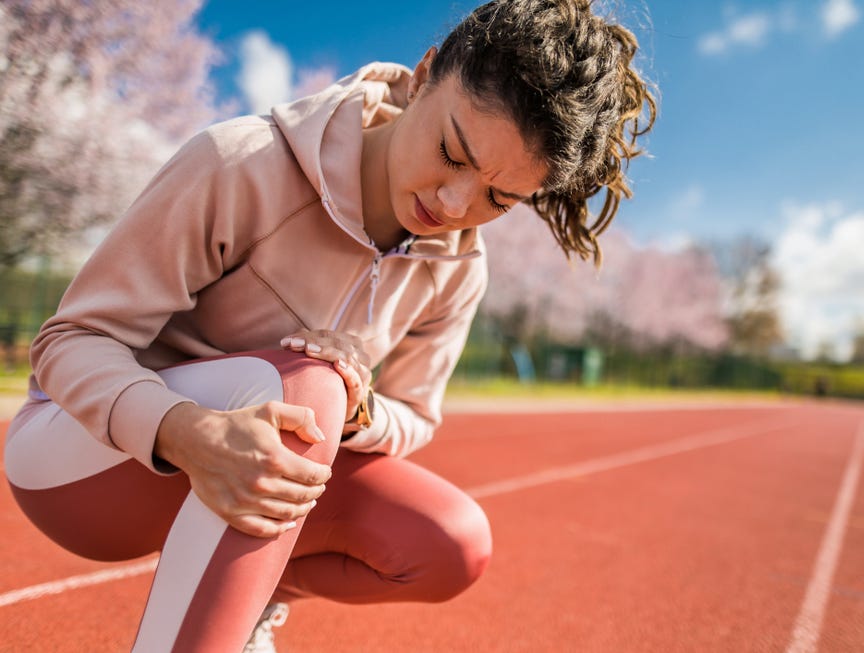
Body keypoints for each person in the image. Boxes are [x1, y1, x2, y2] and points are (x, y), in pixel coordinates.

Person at [4, 0, 657, 650]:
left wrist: (363, 409)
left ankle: (255, 598)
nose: (455, 204)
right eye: (452, 152)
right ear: (423, 75)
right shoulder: (241, 163)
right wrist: (186, 430)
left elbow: (413, 414)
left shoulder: (458, 270)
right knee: (306, 390)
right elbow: (68, 345)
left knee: (451, 540)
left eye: (499, 198)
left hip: (249, 473)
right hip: (80, 461)